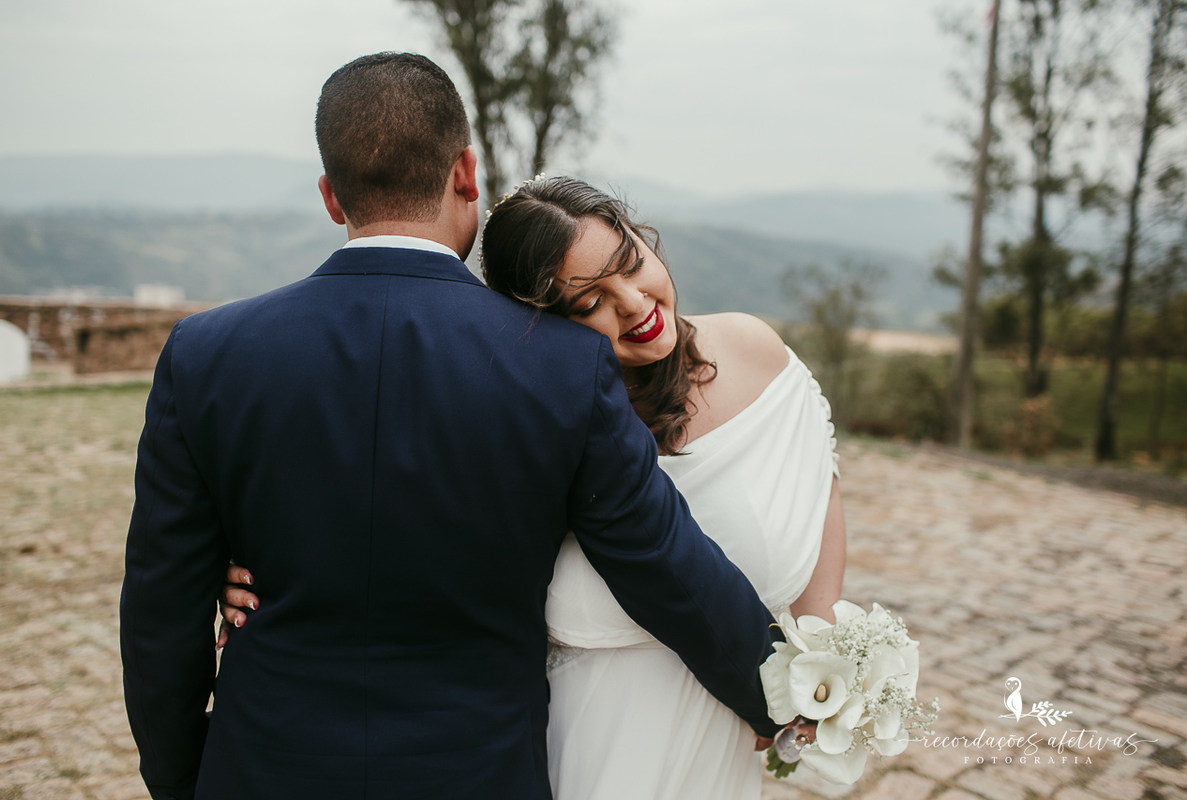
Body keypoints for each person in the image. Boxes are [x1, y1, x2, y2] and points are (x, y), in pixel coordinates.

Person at [118, 53, 784, 800]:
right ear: (466, 173)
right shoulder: (565, 366)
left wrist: (184, 778)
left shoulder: (206, 354)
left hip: (261, 766)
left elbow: (159, 616)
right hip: (478, 772)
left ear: (332, 198)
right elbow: (664, 564)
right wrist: (787, 694)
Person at [220, 178, 846, 799]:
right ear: (542, 323)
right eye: (589, 302)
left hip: (720, 742)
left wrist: (813, 667)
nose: (631, 302)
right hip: (578, 741)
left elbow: (817, 481)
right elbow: (401, 515)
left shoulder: (751, 349)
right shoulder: (533, 407)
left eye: (630, 264)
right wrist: (262, 568)